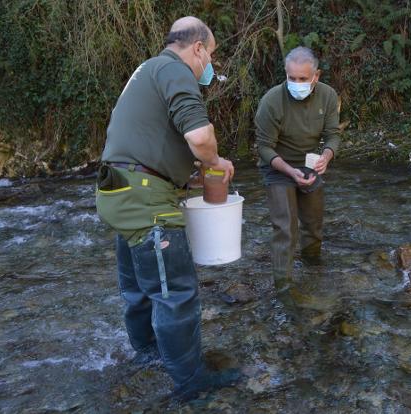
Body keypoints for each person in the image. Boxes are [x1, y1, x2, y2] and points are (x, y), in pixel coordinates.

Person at [95, 16, 238, 401]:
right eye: (211, 56)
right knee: (177, 295)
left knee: (140, 291)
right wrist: (215, 164)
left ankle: (147, 356)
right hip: (145, 202)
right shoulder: (176, 71)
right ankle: (191, 383)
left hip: (119, 192)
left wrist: (184, 177)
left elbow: (150, 142)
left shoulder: (147, 70)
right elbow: (200, 135)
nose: (210, 65)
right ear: (198, 49)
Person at [254, 46, 340, 294]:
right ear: (286, 73)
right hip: (278, 168)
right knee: (285, 229)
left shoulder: (328, 95)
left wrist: (327, 155)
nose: (297, 83)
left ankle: (313, 272)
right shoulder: (271, 101)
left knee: (313, 225)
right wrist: (290, 172)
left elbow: (333, 134)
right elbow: (264, 148)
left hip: (310, 164)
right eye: (292, 78)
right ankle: (284, 287)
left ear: (316, 76)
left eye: (303, 79)